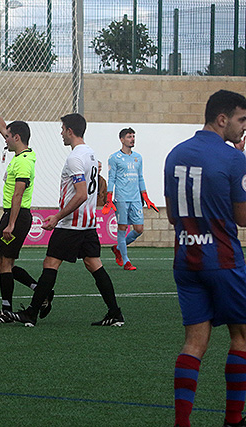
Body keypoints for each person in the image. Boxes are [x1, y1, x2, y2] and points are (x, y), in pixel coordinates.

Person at [165, 90, 246, 427]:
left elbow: (172, 216)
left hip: (186, 259)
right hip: (224, 260)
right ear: (222, 119)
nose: (244, 128)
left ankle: (182, 423)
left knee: (194, 343)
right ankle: (232, 419)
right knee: (241, 337)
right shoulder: (233, 159)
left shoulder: (174, 154)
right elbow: (243, 218)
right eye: (242, 120)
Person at [6, 113, 123, 328]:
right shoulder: (90, 153)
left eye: (62, 129)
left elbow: (81, 194)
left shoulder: (75, 158)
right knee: (93, 263)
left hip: (71, 224)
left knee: (50, 263)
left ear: (70, 131)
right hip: (88, 223)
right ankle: (115, 313)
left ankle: (31, 313)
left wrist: (57, 217)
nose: (60, 133)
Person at [0, 91, 52, 325]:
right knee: (6, 263)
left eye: (8, 137)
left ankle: (7, 310)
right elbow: (4, 128)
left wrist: (10, 224)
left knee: (4, 262)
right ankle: (41, 293)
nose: (5, 138)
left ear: (17, 138)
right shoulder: (23, 154)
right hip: (15, 216)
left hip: (17, 216)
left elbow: (18, 195)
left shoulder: (23, 162)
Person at [103, 127, 159, 271]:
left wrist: (145, 196)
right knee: (122, 228)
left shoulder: (138, 157)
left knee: (139, 229)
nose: (132, 139)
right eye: (129, 137)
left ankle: (118, 248)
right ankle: (126, 261)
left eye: (133, 136)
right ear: (122, 139)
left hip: (135, 199)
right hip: (121, 197)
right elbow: (111, 179)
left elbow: (140, 177)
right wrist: (109, 197)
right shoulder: (114, 157)